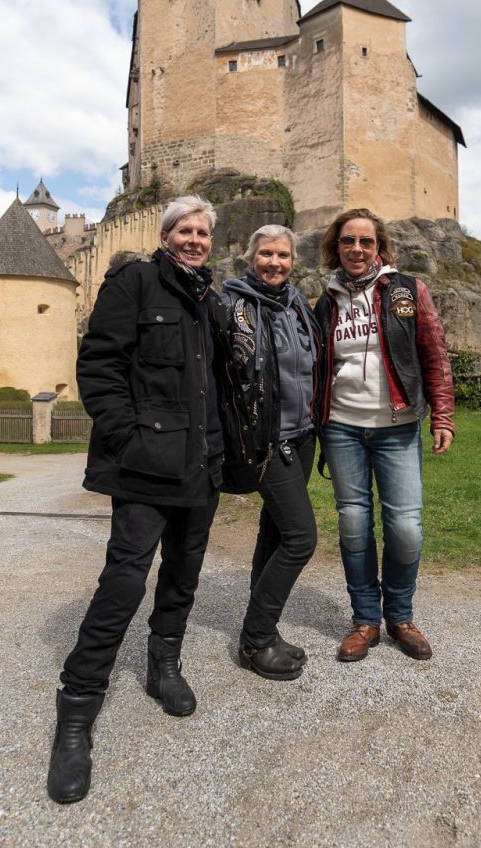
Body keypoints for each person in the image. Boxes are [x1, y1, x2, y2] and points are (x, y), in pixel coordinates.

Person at [47, 195, 225, 805]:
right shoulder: (134, 282)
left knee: (183, 574)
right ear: (166, 233)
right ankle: (77, 710)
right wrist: (128, 439)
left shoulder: (208, 298)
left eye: (203, 232)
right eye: (185, 230)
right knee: (124, 581)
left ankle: (162, 666)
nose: (194, 239)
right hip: (147, 464)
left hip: (201, 464)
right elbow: (98, 365)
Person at [313, 208, 455, 664]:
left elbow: (434, 353)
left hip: (397, 427)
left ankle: (400, 616)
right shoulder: (326, 301)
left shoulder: (407, 291)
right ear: (336, 247)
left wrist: (442, 416)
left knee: (405, 528)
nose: (356, 249)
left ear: (379, 247)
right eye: (348, 241)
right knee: (354, 525)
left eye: (366, 241)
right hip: (342, 428)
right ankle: (365, 621)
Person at [221, 224, 321, 681]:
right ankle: (256, 638)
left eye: (283, 255)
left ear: (292, 261)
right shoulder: (234, 306)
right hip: (267, 441)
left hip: (303, 436)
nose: (275, 262)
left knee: (276, 533)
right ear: (250, 258)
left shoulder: (298, 304)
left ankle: (265, 627)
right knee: (301, 538)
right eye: (266, 254)